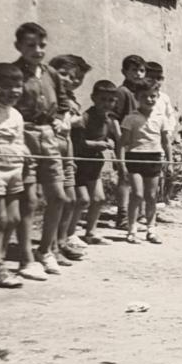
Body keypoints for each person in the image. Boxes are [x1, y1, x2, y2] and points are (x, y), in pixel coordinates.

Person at [10, 22, 69, 280]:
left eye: (42, 45)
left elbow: (64, 102)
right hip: (24, 135)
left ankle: (46, 250)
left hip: (49, 136)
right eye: (31, 45)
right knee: (29, 200)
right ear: (18, 46)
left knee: (58, 196)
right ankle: (26, 258)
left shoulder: (51, 74)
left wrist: (61, 118)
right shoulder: (13, 72)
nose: (37, 50)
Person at [0, 63, 32, 289]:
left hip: (15, 170)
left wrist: (25, 154)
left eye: (18, 86)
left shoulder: (17, 114)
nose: (14, 91)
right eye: (8, 86)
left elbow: (20, 142)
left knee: (13, 218)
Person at [49, 54, 92, 259]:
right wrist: (74, 121)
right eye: (64, 74)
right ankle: (49, 247)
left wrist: (71, 159)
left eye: (77, 78)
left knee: (71, 199)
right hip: (50, 149)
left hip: (67, 151)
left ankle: (61, 240)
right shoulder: (51, 95)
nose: (71, 81)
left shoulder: (70, 99)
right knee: (58, 199)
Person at [120, 79, 171, 244]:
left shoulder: (161, 118)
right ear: (137, 98)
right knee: (137, 194)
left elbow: (166, 142)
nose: (149, 99)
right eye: (145, 96)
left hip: (154, 157)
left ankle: (151, 229)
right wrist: (121, 163)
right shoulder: (130, 118)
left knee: (151, 196)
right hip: (135, 158)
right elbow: (123, 143)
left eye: (153, 96)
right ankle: (132, 229)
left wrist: (169, 162)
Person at [72, 79, 122, 245]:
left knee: (99, 198)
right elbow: (77, 143)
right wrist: (98, 144)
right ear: (93, 98)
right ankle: (69, 234)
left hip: (95, 163)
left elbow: (108, 138)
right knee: (82, 200)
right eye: (102, 99)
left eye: (110, 100)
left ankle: (90, 233)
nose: (106, 104)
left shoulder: (108, 120)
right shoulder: (85, 117)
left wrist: (110, 143)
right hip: (80, 163)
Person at [113, 54, 147, 231]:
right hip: (125, 141)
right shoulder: (122, 92)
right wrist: (120, 142)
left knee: (138, 177)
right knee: (124, 177)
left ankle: (138, 214)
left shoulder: (141, 93)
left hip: (139, 142)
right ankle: (122, 215)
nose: (138, 74)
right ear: (124, 72)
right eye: (134, 70)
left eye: (141, 70)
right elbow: (114, 118)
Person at [145, 62, 179, 217]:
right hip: (146, 139)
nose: (156, 82)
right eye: (151, 78)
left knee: (159, 176)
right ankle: (138, 211)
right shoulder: (143, 96)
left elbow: (170, 116)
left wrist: (168, 131)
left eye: (159, 78)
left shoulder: (164, 98)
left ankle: (155, 208)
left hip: (161, 139)